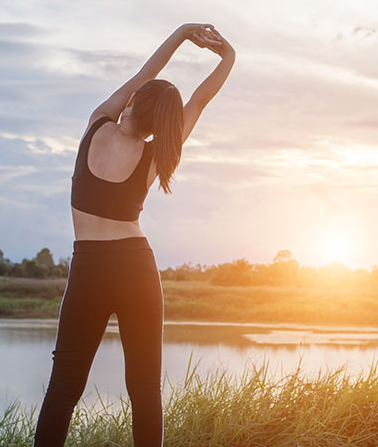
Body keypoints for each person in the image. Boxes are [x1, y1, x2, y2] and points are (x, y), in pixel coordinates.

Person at [33, 23, 235, 447]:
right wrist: (228, 58)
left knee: (64, 388)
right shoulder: (157, 155)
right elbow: (198, 101)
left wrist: (182, 35)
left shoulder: (96, 125)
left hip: (88, 269)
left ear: (133, 102)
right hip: (136, 269)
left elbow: (146, 74)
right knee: (145, 392)